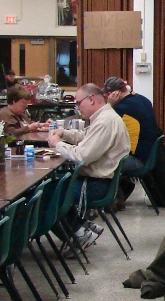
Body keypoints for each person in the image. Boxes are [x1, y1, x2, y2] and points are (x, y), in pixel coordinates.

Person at [48, 83, 130, 248]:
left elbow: (82, 156)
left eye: (79, 103)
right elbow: (86, 136)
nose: (78, 108)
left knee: (47, 196)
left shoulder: (105, 122)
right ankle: (81, 225)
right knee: (52, 186)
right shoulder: (104, 117)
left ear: (91, 99)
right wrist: (64, 134)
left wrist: (58, 144)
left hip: (96, 185)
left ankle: (78, 233)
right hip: (100, 181)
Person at [101, 76, 162, 207]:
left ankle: (114, 200)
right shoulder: (142, 99)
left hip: (137, 160)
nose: (106, 98)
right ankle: (120, 195)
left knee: (101, 161)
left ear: (115, 93)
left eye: (107, 95)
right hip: (147, 157)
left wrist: (109, 105)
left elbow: (102, 123)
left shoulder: (121, 108)